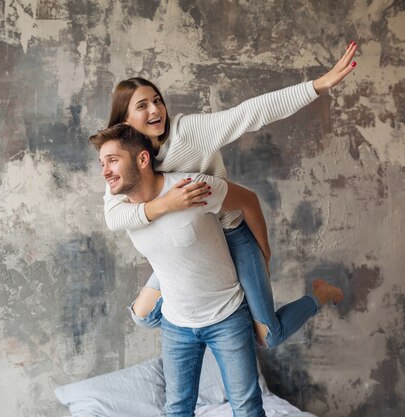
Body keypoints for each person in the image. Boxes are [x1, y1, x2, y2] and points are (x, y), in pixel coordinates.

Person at [103, 41, 356, 347]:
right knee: (142, 315)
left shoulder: (189, 132)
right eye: (142, 105)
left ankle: (319, 295)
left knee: (268, 336)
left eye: (157, 100)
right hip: (192, 248)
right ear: (125, 120)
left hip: (231, 235)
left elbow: (250, 113)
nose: (156, 110)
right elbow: (114, 215)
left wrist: (318, 86)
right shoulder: (124, 161)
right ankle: (211, 321)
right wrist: (165, 205)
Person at [90, 123, 267, 417]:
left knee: (247, 408)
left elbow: (248, 201)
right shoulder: (120, 208)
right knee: (177, 410)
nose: (105, 171)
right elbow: (113, 220)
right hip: (176, 325)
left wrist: (265, 252)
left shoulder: (191, 187)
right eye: (102, 163)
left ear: (142, 159)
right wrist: (164, 205)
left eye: (112, 160)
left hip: (226, 316)